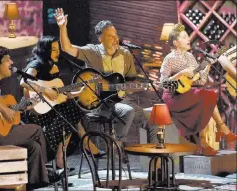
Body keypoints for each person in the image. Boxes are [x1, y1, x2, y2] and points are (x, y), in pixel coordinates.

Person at [54, 8, 158, 152]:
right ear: (100, 38)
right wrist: (62, 27)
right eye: (110, 36)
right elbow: (67, 48)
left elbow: (130, 82)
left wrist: (140, 86)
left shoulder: (126, 53)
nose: (115, 38)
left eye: (115, 35)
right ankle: (116, 145)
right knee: (127, 111)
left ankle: (156, 169)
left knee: (153, 123)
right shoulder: (92, 51)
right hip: (99, 103)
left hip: (122, 100)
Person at [0, 46, 53, 189]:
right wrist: (5, 111)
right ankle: (48, 170)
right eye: (8, 60)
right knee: (37, 130)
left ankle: (34, 182)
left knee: (34, 146)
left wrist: (24, 106)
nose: (12, 63)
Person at [20, 36, 105, 169]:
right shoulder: (35, 65)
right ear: (45, 51)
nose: (57, 52)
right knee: (71, 111)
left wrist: (79, 92)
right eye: (53, 49)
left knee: (70, 109)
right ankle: (82, 145)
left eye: (58, 49)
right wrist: (45, 90)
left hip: (51, 108)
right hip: (34, 110)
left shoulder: (54, 68)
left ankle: (63, 157)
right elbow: (24, 82)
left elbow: (59, 94)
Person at [159, 24, 236, 155]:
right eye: (184, 37)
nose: (188, 39)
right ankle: (220, 131)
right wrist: (179, 74)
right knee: (206, 95)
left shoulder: (190, 57)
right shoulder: (169, 58)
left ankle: (210, 140)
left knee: (209, 96)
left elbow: (200, 81)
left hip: (187, 94)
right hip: (172, 97)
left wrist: (206, 68)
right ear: (176, 42)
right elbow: (163, 84)